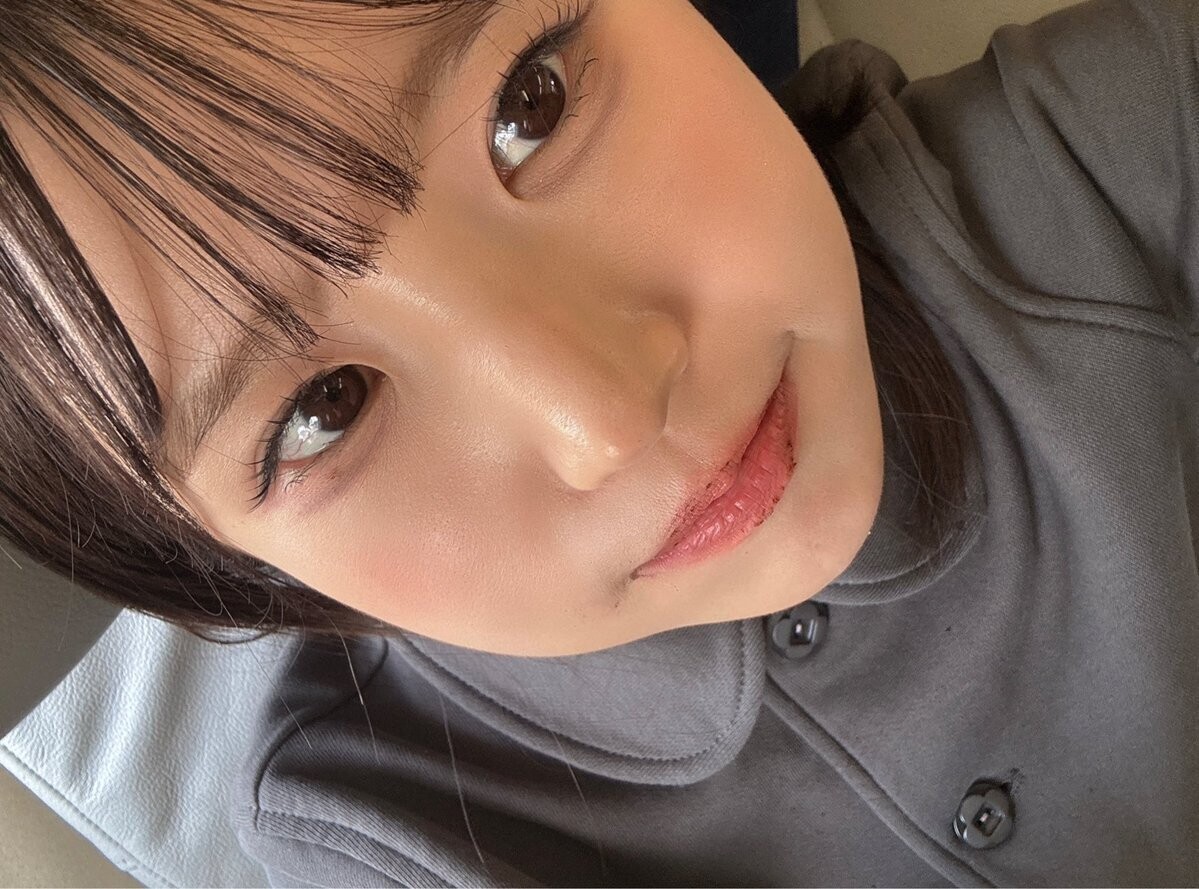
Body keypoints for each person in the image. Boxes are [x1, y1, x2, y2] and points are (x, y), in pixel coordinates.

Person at [0, 0, 1194, 884]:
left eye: (531, 107)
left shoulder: (1114, 150)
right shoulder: (384, 843)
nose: (608, 420)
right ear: (231, 566)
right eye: (328, 408)